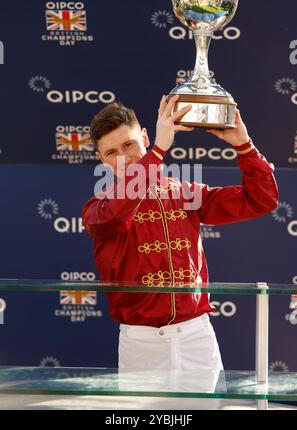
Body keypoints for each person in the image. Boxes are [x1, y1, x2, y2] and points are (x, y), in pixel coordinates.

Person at [82, 95, 278, 372]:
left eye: (129, 145)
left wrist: (243, 145)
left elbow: (261, 199)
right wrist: (159, 151)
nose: (124, 159)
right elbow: (115, 215)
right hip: (140, 345)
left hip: (197, 339)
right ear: (100, 159)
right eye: (112, 153)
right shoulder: (98, 207)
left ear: (145, 137)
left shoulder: (186, 192)